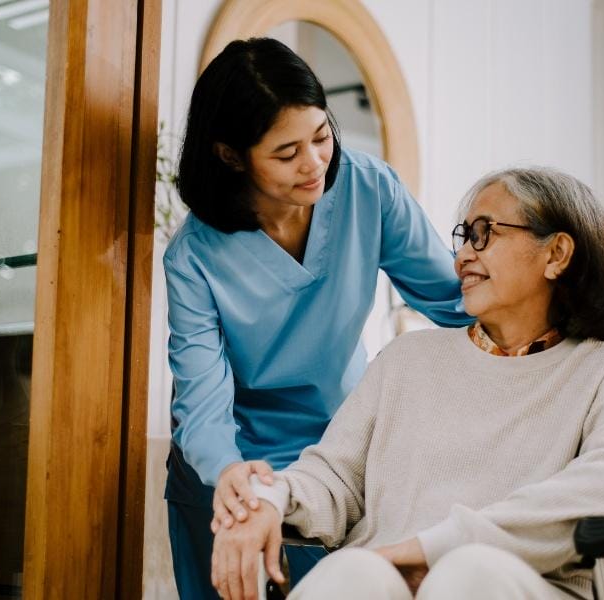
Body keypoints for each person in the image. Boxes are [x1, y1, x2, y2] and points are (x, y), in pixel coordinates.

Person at [209, 167, 604, 600]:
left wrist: (431, 548)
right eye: (464, 237)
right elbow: (334, 481)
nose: (463, 256)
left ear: (556, 254)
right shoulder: (406, 359)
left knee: (469, 574)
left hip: (522, 584)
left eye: (484, 234)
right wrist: (270, 498)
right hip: (382, 577)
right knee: (354, 573)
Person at [164, 37, 476, 598]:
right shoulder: (193, 257)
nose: (314, 165)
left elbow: (456, 299)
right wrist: (232, 479)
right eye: (286, 154)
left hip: (333, 451)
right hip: (229, 463)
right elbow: (202, 401)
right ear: (231, 155)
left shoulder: (368, 187)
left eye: (321, 136)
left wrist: (572, 333)